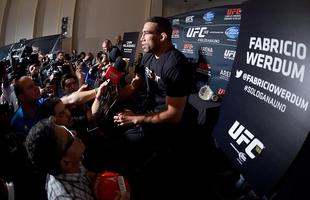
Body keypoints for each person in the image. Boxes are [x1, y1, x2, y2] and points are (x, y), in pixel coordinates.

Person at [24, 117, 129, 200]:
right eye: (70, 137)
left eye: (67, 129)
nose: (74, 133)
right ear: (66, 162)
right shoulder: (66, 197)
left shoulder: (70, 161)